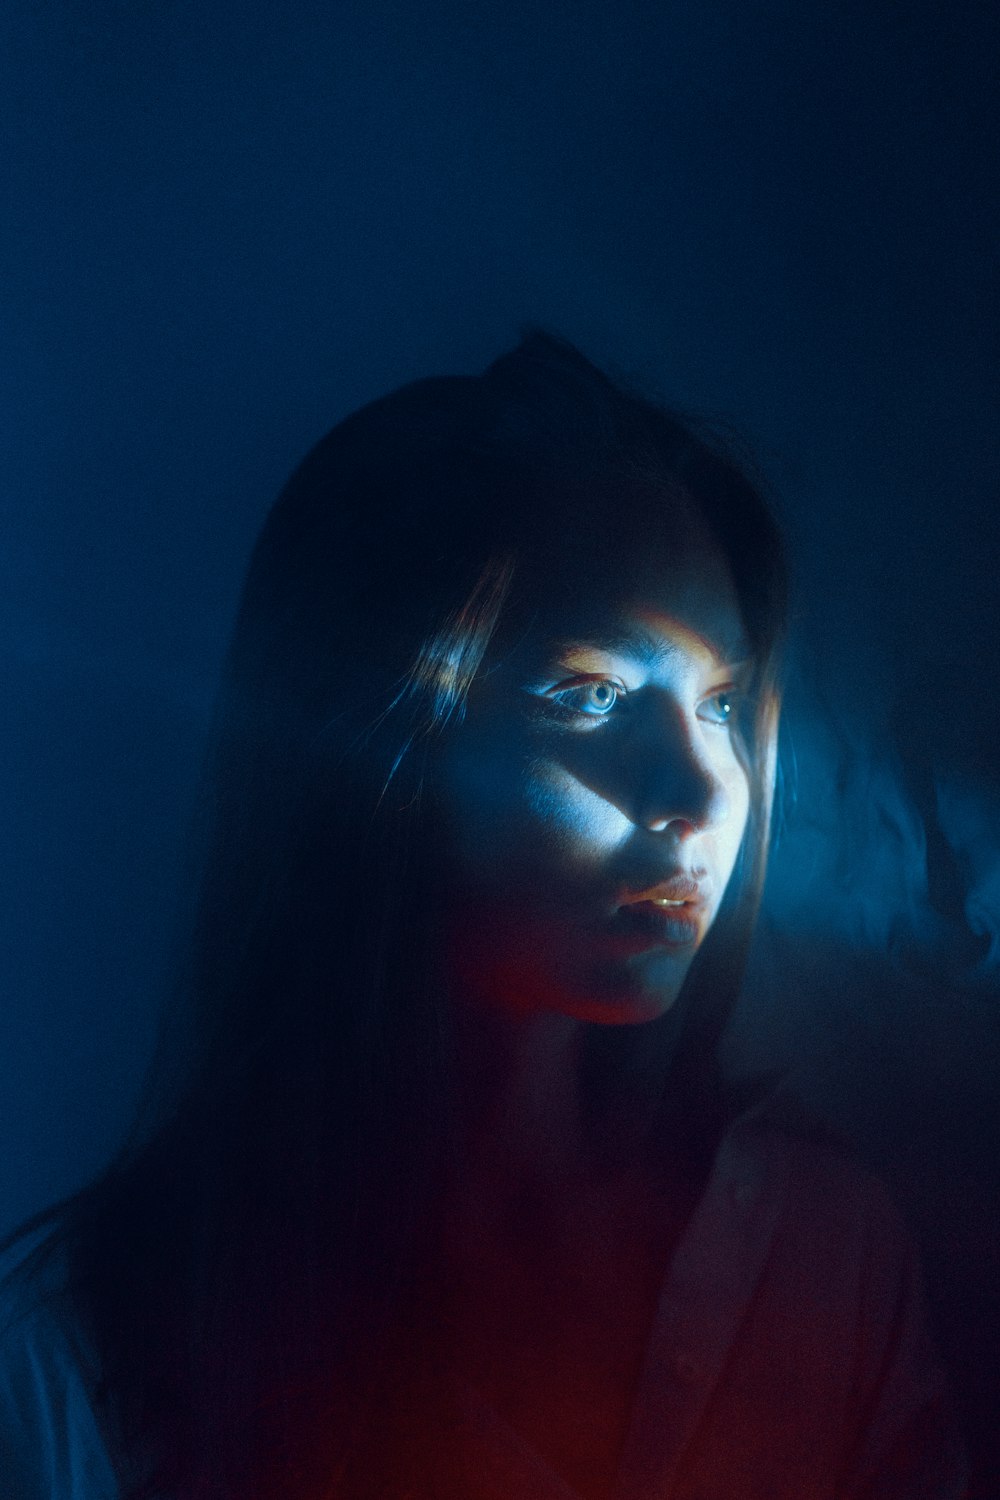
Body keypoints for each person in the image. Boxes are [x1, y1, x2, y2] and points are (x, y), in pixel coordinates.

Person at [0, 331, 966, 1499]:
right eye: (592, 694)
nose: (702, 792)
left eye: (720, 702)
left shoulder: (817, 1255)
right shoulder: (84, 1348)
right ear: (387, 744)